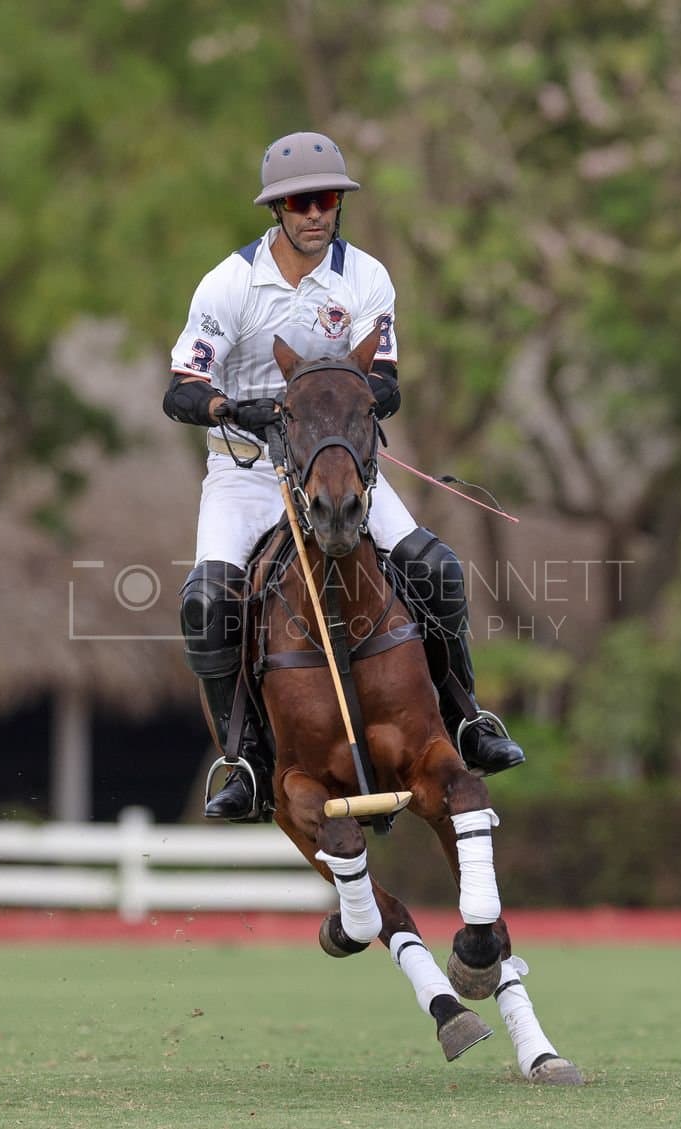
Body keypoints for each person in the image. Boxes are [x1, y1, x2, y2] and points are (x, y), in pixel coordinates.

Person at [164, 131, 524, 820]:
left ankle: (469, 720)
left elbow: (385, 383)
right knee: (206, 603)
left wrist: (341, 405)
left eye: (326, 199)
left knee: (438, 569)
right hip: (244, 473)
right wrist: (234, 407)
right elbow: (181, 390)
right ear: (276, 210)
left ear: (338, 205)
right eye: (298, 202)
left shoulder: (365, 277)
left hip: (337, 468)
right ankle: (242, 759)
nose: (313, 214)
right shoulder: (230, 283)